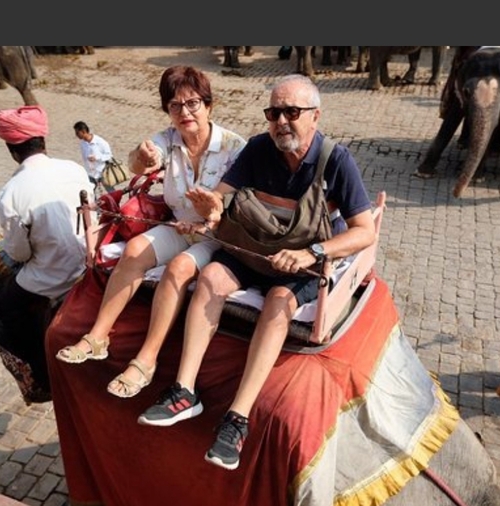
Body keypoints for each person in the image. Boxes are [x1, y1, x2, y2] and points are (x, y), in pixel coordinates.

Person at [138, 75, 377, 470]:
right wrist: (211, 206)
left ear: (315, 116)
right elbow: (225, 193)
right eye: (274, 112)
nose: (281, 121)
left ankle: (238, 418)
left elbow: (364, 232)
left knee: (279, 301)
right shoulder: (257, 148)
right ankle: (184, 390)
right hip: (253, 250)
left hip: (300, 261)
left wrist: (312, 253)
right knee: (212, 276)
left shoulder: (337, 160)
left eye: (292, 112)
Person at [56, 65, 246, 399]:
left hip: (219, 237)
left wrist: (212, 217)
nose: (184, 112)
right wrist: (142, 158)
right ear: (167, 111)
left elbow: (244, 207)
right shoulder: (167, 140)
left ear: (209, 105)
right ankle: (98, 336)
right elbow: (137, 163)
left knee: (180, 267)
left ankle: (147, 360)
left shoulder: (235, 147)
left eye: (193, 104)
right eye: (175, 106)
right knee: (133, 250)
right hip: (179, 225)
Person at [0, 104, 92, 402]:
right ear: (43, 140)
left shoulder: (11, 192)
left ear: (11, 149)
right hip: (88, 265)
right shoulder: (74, 169)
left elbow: (17, 253)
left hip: (51, 277)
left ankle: (38, 375)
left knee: (5, 305)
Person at [73, 120, 113, 187]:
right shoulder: (82, 144)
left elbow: (109, 156)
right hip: (90, 174)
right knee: (90, 192)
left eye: (77, 133)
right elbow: (84, 158)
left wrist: (97, 158)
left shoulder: (100, 142)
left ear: (83, 131)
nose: (76, 135)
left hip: (102, 172)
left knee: (110, 190)